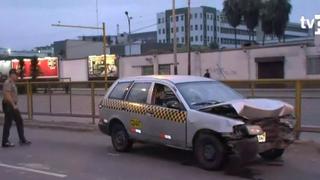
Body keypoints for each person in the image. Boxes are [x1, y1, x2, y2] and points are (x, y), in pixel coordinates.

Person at [2, 69, 31, 148]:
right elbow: (7, 95)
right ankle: (5, 141)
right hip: (9, 105)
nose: (17, 76)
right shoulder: (8, 82)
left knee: (19, 121)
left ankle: (22, 139)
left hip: (12, 105)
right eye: (15, 75)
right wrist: (13, 105)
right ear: (12, 74)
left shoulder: (12, 83)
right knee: (8, 122)